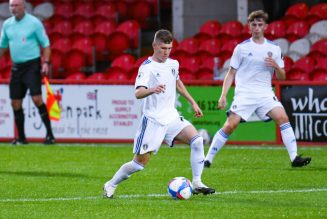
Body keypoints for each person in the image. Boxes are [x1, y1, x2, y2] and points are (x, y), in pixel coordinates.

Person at [103, 29, 215, 198]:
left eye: (169, 48)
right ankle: (111, 184)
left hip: (171, 117)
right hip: (153, 121)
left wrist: (192, 102)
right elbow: (138, 93)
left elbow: (178, 83)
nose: (166, 52)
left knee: (197, 140)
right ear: (154, 45)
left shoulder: (173, 64)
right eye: (163, 48)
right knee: (139, 164)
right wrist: (152, 89)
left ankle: (197, 182)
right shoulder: (146, 68)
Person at [204, 10, 311, 168]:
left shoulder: (274, 48)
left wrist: (276, 66)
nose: (257, 27)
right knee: (230, 125)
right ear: (249, 27)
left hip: (265, 94)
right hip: (245, 94)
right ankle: (207, 159)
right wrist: (223, 95)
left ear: (266, 27)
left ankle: (294, 158)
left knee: (283, 118)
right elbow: (231, 72)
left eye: (260, 24)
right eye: (253, 24)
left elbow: (282, 77)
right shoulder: (241, 48)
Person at [0, 0, 55, 145]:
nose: (13, 8)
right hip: (16, 67)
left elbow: (46, 44)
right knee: (15, 102)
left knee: (37, 99)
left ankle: (50, 135)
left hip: (32, 65)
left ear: (24, 6)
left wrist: (46, 63)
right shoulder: (7, 25)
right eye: (11, 5)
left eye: (16, 5)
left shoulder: (34, 23)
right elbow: (3, 46)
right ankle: (21, 138)